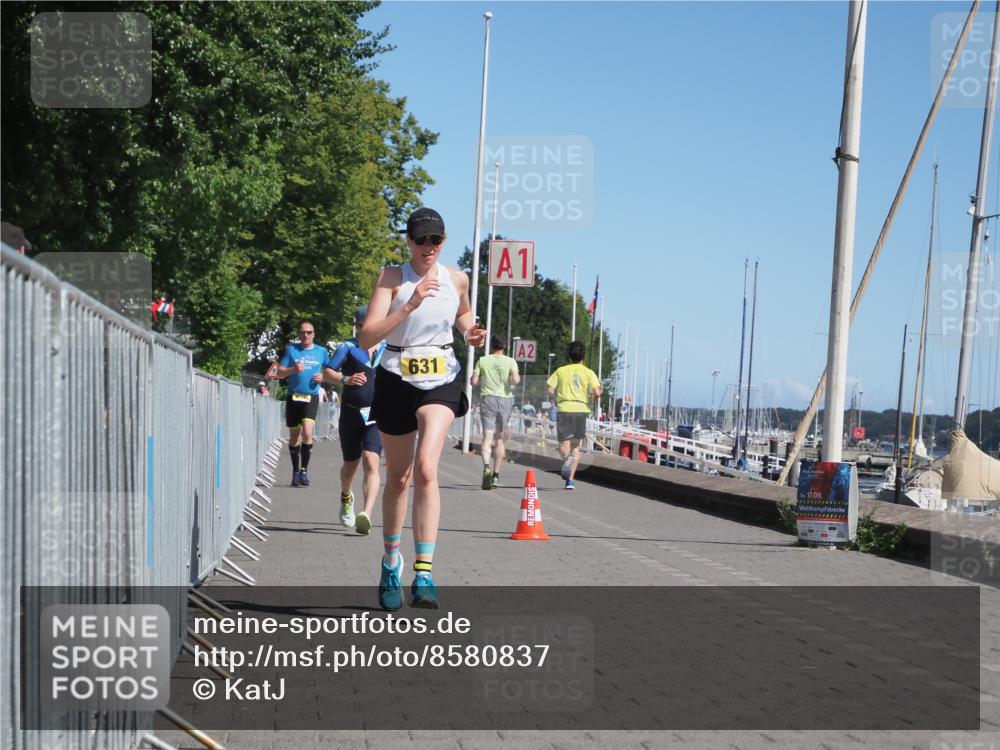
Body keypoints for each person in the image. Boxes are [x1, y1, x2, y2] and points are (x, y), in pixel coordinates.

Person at [359, 207, 485, 611]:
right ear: (409, 241)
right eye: (420, 240)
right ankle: (391, 561)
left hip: (441, 375)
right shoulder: (391, 279)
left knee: (428, 468)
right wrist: (408, 305)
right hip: (397, 375)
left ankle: (425, 572)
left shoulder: (457, 278)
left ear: (443, 242)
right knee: (399, 477)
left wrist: (470, 331)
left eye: (435, 240)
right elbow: (366, 339)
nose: (428, 247)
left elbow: (462, 312)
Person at [324, 306, 387, 535]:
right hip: (351, 413)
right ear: (359, 326)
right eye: (366, 325)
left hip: (376, 415)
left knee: (371, 461)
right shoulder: (348, 347)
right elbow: (328, 371)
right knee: (350, 465)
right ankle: (346, 496)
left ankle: (366, 514)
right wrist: (345, 378)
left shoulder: (387, 349)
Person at [274, 321, 334, 487]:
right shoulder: (291, 350)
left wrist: (324, 377)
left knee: (307, 432)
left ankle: (304, 470)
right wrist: (293, 369)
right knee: (294, 437)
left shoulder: (321, 351)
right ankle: (295, 472)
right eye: (303, 332)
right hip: (294, 397)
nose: (306, 335)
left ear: (314, 334)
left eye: (309, 332)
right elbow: (279, 372)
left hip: (311, 397)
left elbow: (329, 371)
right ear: (299, 334)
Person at [546, 341, 602, 490]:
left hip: (564, 408)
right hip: (580, 409)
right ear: (583, 356)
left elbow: (550, 390)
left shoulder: (560, 370)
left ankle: (566, 459)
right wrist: (593, 397)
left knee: (564, 445)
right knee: (576, 446)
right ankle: (570, 481)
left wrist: (558, 395)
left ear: (569, 356)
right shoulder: (589, 372)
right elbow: (597, 392)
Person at [471, 334, 520, 489]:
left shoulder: (483, 360)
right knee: (499, 439)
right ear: (504, 346)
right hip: (504, 400)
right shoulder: (510, 361)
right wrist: (511, 379)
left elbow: (473, 381)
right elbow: (516, 380)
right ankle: (496, 476)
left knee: (487, 438)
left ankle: (486, 467)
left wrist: (478, 379)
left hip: (487, 399)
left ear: (491, 346)